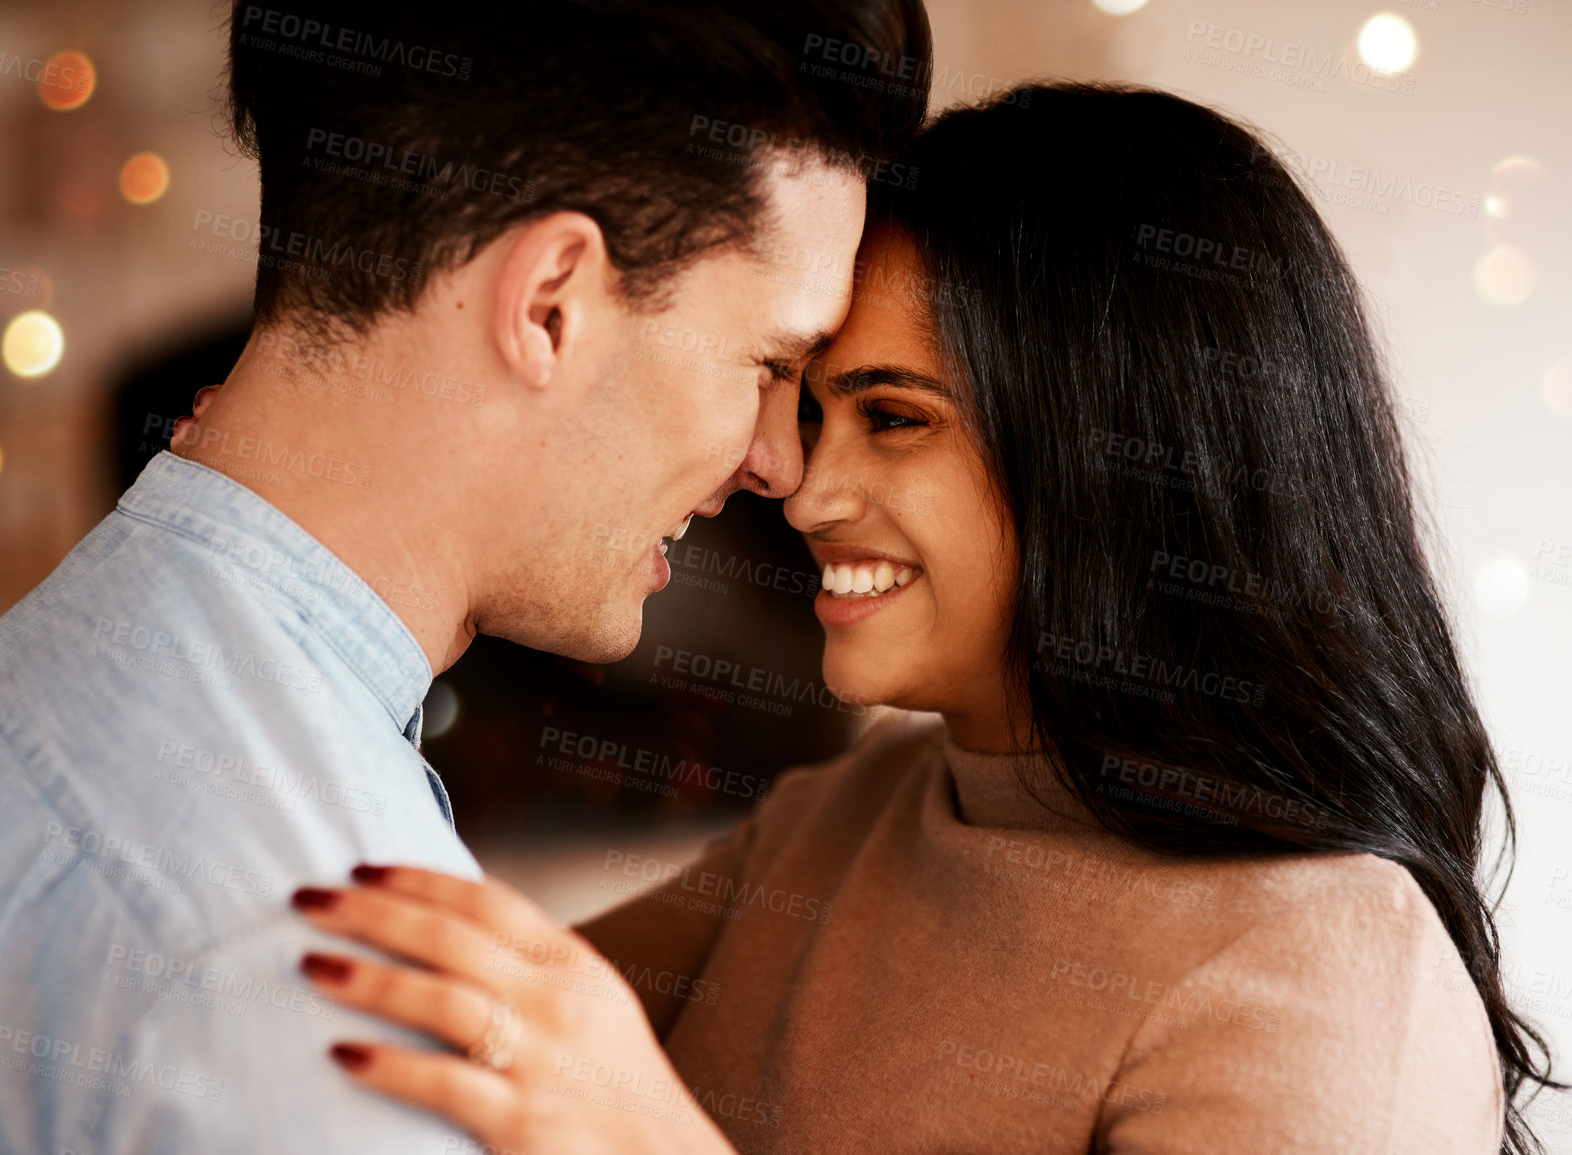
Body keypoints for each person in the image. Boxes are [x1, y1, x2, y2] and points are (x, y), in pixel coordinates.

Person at [290, 85, 1558, 1154]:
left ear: (1124, 457)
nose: (805, 492)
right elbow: (460, 1043)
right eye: (812, 409)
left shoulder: (1330, 972)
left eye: (893, 419)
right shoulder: (861, 806)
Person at [0, 2, 929, 1151]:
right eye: (767, 363)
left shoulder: (49, 658)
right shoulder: (337, 997)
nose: (781, 463)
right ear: (551, 302)